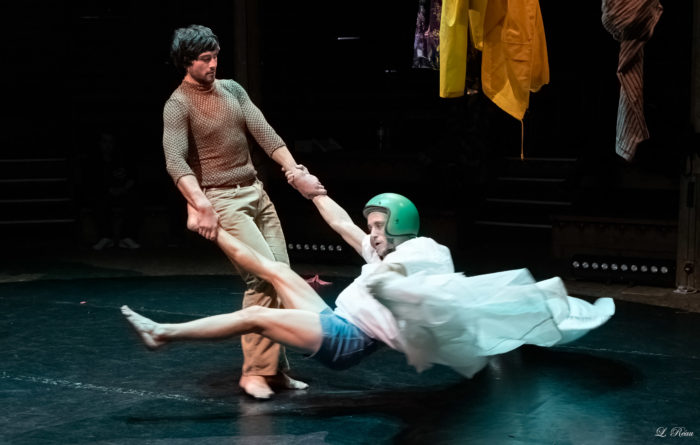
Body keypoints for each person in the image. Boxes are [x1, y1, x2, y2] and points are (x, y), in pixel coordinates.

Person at [122, 189, 616, 379]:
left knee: (257, 315)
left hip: (348, 339)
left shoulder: (423, 253)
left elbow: (427, 290)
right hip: (335, 317)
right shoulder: (382, 251)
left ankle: (163, 334)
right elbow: (342, 224)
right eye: (372, 227)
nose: (372, 234)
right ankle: (210, 230)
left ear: (399, 229)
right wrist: (310, 187)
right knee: (276, 270)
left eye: (379, 227)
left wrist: (387, 286)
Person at [162, 24, 325, 398]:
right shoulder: (178, 104)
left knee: (283, 278)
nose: (213, 64)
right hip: (222, 201)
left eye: (215, 57)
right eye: (205, 59)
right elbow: (175, 161)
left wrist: (295, 172)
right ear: (186, 62)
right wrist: (201, 204)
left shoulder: (233, 89)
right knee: (262, 279)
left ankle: (275, 371)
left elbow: (265, 134)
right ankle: (254, 373)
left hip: (256, 193)